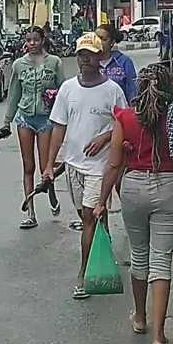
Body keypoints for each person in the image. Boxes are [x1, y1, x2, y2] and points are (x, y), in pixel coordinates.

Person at [93, 64, 173, 344]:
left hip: (133, 188)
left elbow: (113, 164)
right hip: (169, 187)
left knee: (139, 256)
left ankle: (140, 318)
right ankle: (159, 337)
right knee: (161, 261)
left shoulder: (124, 118)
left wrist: (101, 201)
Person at [43, 32, 127, 299]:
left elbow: (123, 123)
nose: (85, 59)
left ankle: (84, 274)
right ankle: (103, 250)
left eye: (90, 54)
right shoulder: (68, 88)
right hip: (74, 165)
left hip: (100, 167)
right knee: (87, 216)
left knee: (89, 218)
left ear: (100, 56)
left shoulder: (113, 90)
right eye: (81, 54)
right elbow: (58, 127)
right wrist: (50, 165)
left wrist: (105, 137)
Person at [0, 26, 65, 229]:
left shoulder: (54, 62)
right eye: (28, 40)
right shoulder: (19, 65)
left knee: (46, 166)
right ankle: (31, 212)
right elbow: (14, 94)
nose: (32, 44)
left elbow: (64, 90)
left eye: (35, 40)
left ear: (43, 40)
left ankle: (51, 192)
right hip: (25, 118)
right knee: (28, 167)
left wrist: (61, 108)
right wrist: (6, 121)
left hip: (46, 118)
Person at [96, 23, 137, 104]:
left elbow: (132, 91)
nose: (99, 42)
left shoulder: (124, 62)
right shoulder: (89, 62)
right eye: (96, 38)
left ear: (112, 42)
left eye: (103, 39)